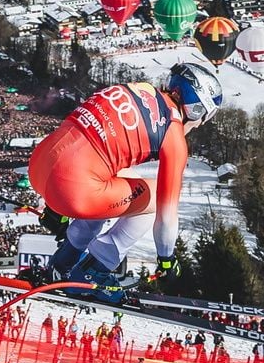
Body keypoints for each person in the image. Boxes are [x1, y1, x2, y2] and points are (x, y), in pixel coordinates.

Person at [29, 63, 223, 302]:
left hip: (40, 167)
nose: (198, 126)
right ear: (195, 109)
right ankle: (95, 270)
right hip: (73, 189)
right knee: (153, 197)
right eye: (204, 118)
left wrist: (54, 205)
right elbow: (167, 214)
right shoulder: (173, 136)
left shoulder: (137, 90)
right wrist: (166, 258)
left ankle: (64, 261)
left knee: (119, 179)